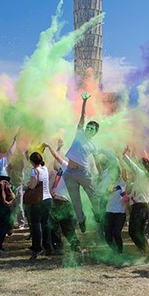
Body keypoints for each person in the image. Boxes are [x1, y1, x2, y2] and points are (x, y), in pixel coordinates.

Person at [63, 92, 101, 233]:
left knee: (93, 195)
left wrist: (101, 173)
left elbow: (97, 162)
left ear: (95, 133)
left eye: (92, 129)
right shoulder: (79, 133)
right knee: (75, 200)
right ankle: (81, 220)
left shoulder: (93, 145)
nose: (89, 129)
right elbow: (83, 117)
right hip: (69, 173)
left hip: (83, 172)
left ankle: (97, 213)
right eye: (88, 127)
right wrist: (84, 102)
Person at [43, 141, 81, 253]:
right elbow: (56, 164)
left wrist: (50, 145)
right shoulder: (74, 170)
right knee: (62, 226)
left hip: (62, 202)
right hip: (60, 201)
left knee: (61, 226)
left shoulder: (70, 170)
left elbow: (56, 157)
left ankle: (68, 246)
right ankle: (68, 246)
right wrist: (58, 147)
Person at [122, 147, 149, 254]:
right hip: (145, 206)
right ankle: (145, 251)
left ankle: (144, 250)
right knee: (140, 231)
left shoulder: (141, 174)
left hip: (139, 206)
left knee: (132, 231)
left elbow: (132, 166)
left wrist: (124, 155)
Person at [28, 151, 54, 260]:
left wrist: (28, 185)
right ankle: (48, 245)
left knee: (36, 224)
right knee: (45, 223)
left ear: (32, 161)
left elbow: (33, 185)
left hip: (38, 200)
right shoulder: (45, 169)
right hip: (48, 199)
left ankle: (37, 247)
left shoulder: (34, 171)